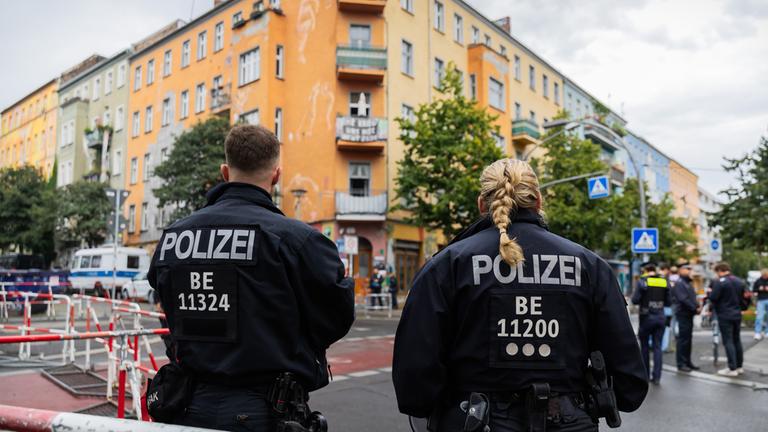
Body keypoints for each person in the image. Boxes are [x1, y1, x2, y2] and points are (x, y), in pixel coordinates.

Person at [392, 159, 648, 432]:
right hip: (569, 421)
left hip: (474, 421)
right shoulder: (590, 266)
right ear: (537, 201)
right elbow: (629, 383)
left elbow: (414, 381)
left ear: (482, 204)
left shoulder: (447, 265)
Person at [148, 125, 355, 431]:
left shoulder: (174, 238)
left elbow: (165, 308)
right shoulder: (299, 241)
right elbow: (337, 317)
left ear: (224, 171)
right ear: (276, 175)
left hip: (187, 405)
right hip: (265, 410)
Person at [631, 262, 671, 385]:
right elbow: (669, 302)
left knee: (644, 347)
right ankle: (657, 377)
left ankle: (646, 375)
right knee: (657, 347)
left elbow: (635, 300)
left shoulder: (643, 281)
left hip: (646, 318)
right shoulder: (664, 281)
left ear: (645, 270)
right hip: (660, 317)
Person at [709, 262, 746, 377]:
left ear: (720, 271)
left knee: (728, 341)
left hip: (725, 315)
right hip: (737, 314)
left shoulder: (720, 283)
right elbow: (743, 299)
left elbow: (713, 298)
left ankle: (732, 368)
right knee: (737, 340)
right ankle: (739, 366)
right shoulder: (739, 281)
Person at [671, 263, 699, 372]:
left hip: (689, 314)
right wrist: (694, 307)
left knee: (688, 339)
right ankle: (681, 363)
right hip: (683, 313)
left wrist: (697, 306)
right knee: (683, 340)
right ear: (681, 270)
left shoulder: (687, 283)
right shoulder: (679, 283)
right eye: (688, 269)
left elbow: (692, 298)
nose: (690, 271)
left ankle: (688, 361)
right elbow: (683, 299)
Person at [752, 269, 768, 340]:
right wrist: (758, 289)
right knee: (759, 317)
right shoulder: (758, 281)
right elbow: (754, 290)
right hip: (761, 300)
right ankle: (757, 332)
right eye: (764, 275)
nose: (765, 276)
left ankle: (767, 332)